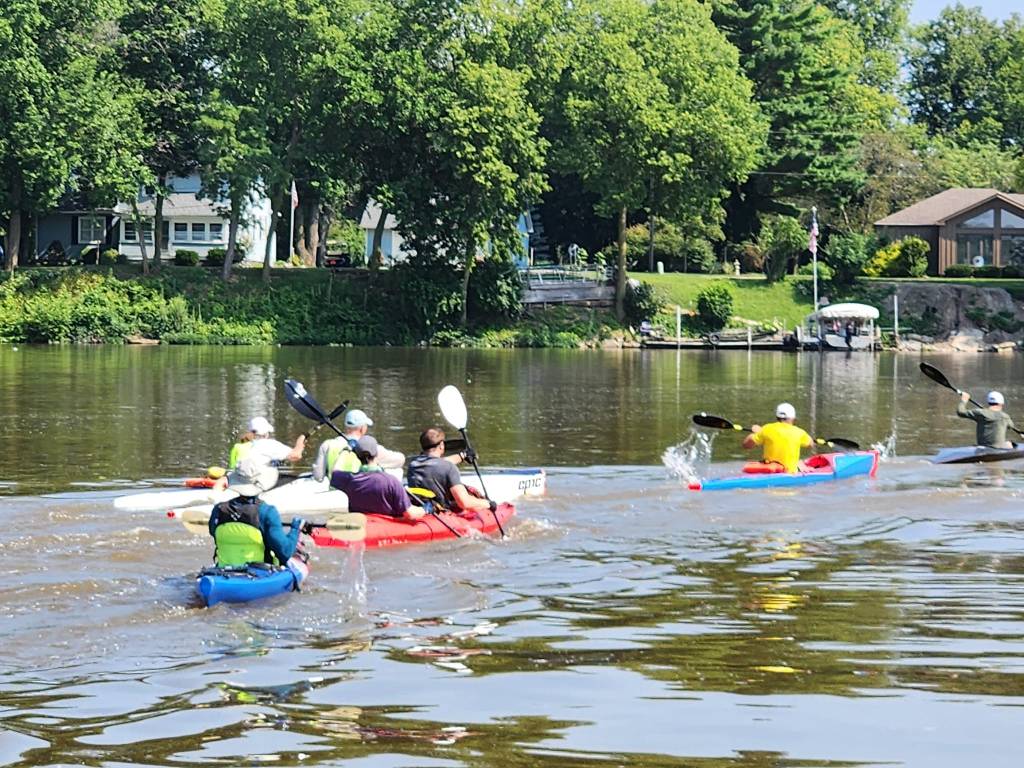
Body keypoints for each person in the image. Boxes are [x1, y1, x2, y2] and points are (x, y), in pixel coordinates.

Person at [208, 458, 304, 567]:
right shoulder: (267, 512)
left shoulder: (219, 509)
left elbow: (213, 532)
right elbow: (285, 552)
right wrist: (296, 529)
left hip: (223, 572)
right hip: (260, 574)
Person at [329, 436, 425, 520]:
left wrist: (345, 451)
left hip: (362, 524)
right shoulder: (391, 481)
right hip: (387, 529)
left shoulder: (348, 480)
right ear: (376, 454)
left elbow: (334, 472)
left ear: (357, 456)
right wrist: (426, 509)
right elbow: (410, 514)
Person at [406, 428, 497, 514]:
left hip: (421, 509)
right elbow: (464, 503)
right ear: (441, 445)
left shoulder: (413, 464)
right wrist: (488, 503)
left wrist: (463, 456)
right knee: (471, 495)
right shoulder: (449, 468)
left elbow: (437, 463)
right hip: (441, 514)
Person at [311, 409, 405, 481]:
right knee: (397, 471)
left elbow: (318, 476)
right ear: (362, 429)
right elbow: (400, 460)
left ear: (346, 427)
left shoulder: (327, 444)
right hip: (360, 491)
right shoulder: (371, 447)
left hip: (335, 490)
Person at [742, 403, 814, 473]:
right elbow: (811, 444)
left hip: (770, 471)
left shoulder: (767, 429)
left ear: (777, 416)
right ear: (793, 418)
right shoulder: (800, 432)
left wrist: (757, 433)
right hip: (789, 472)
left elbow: (746, 445)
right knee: (800, 462)